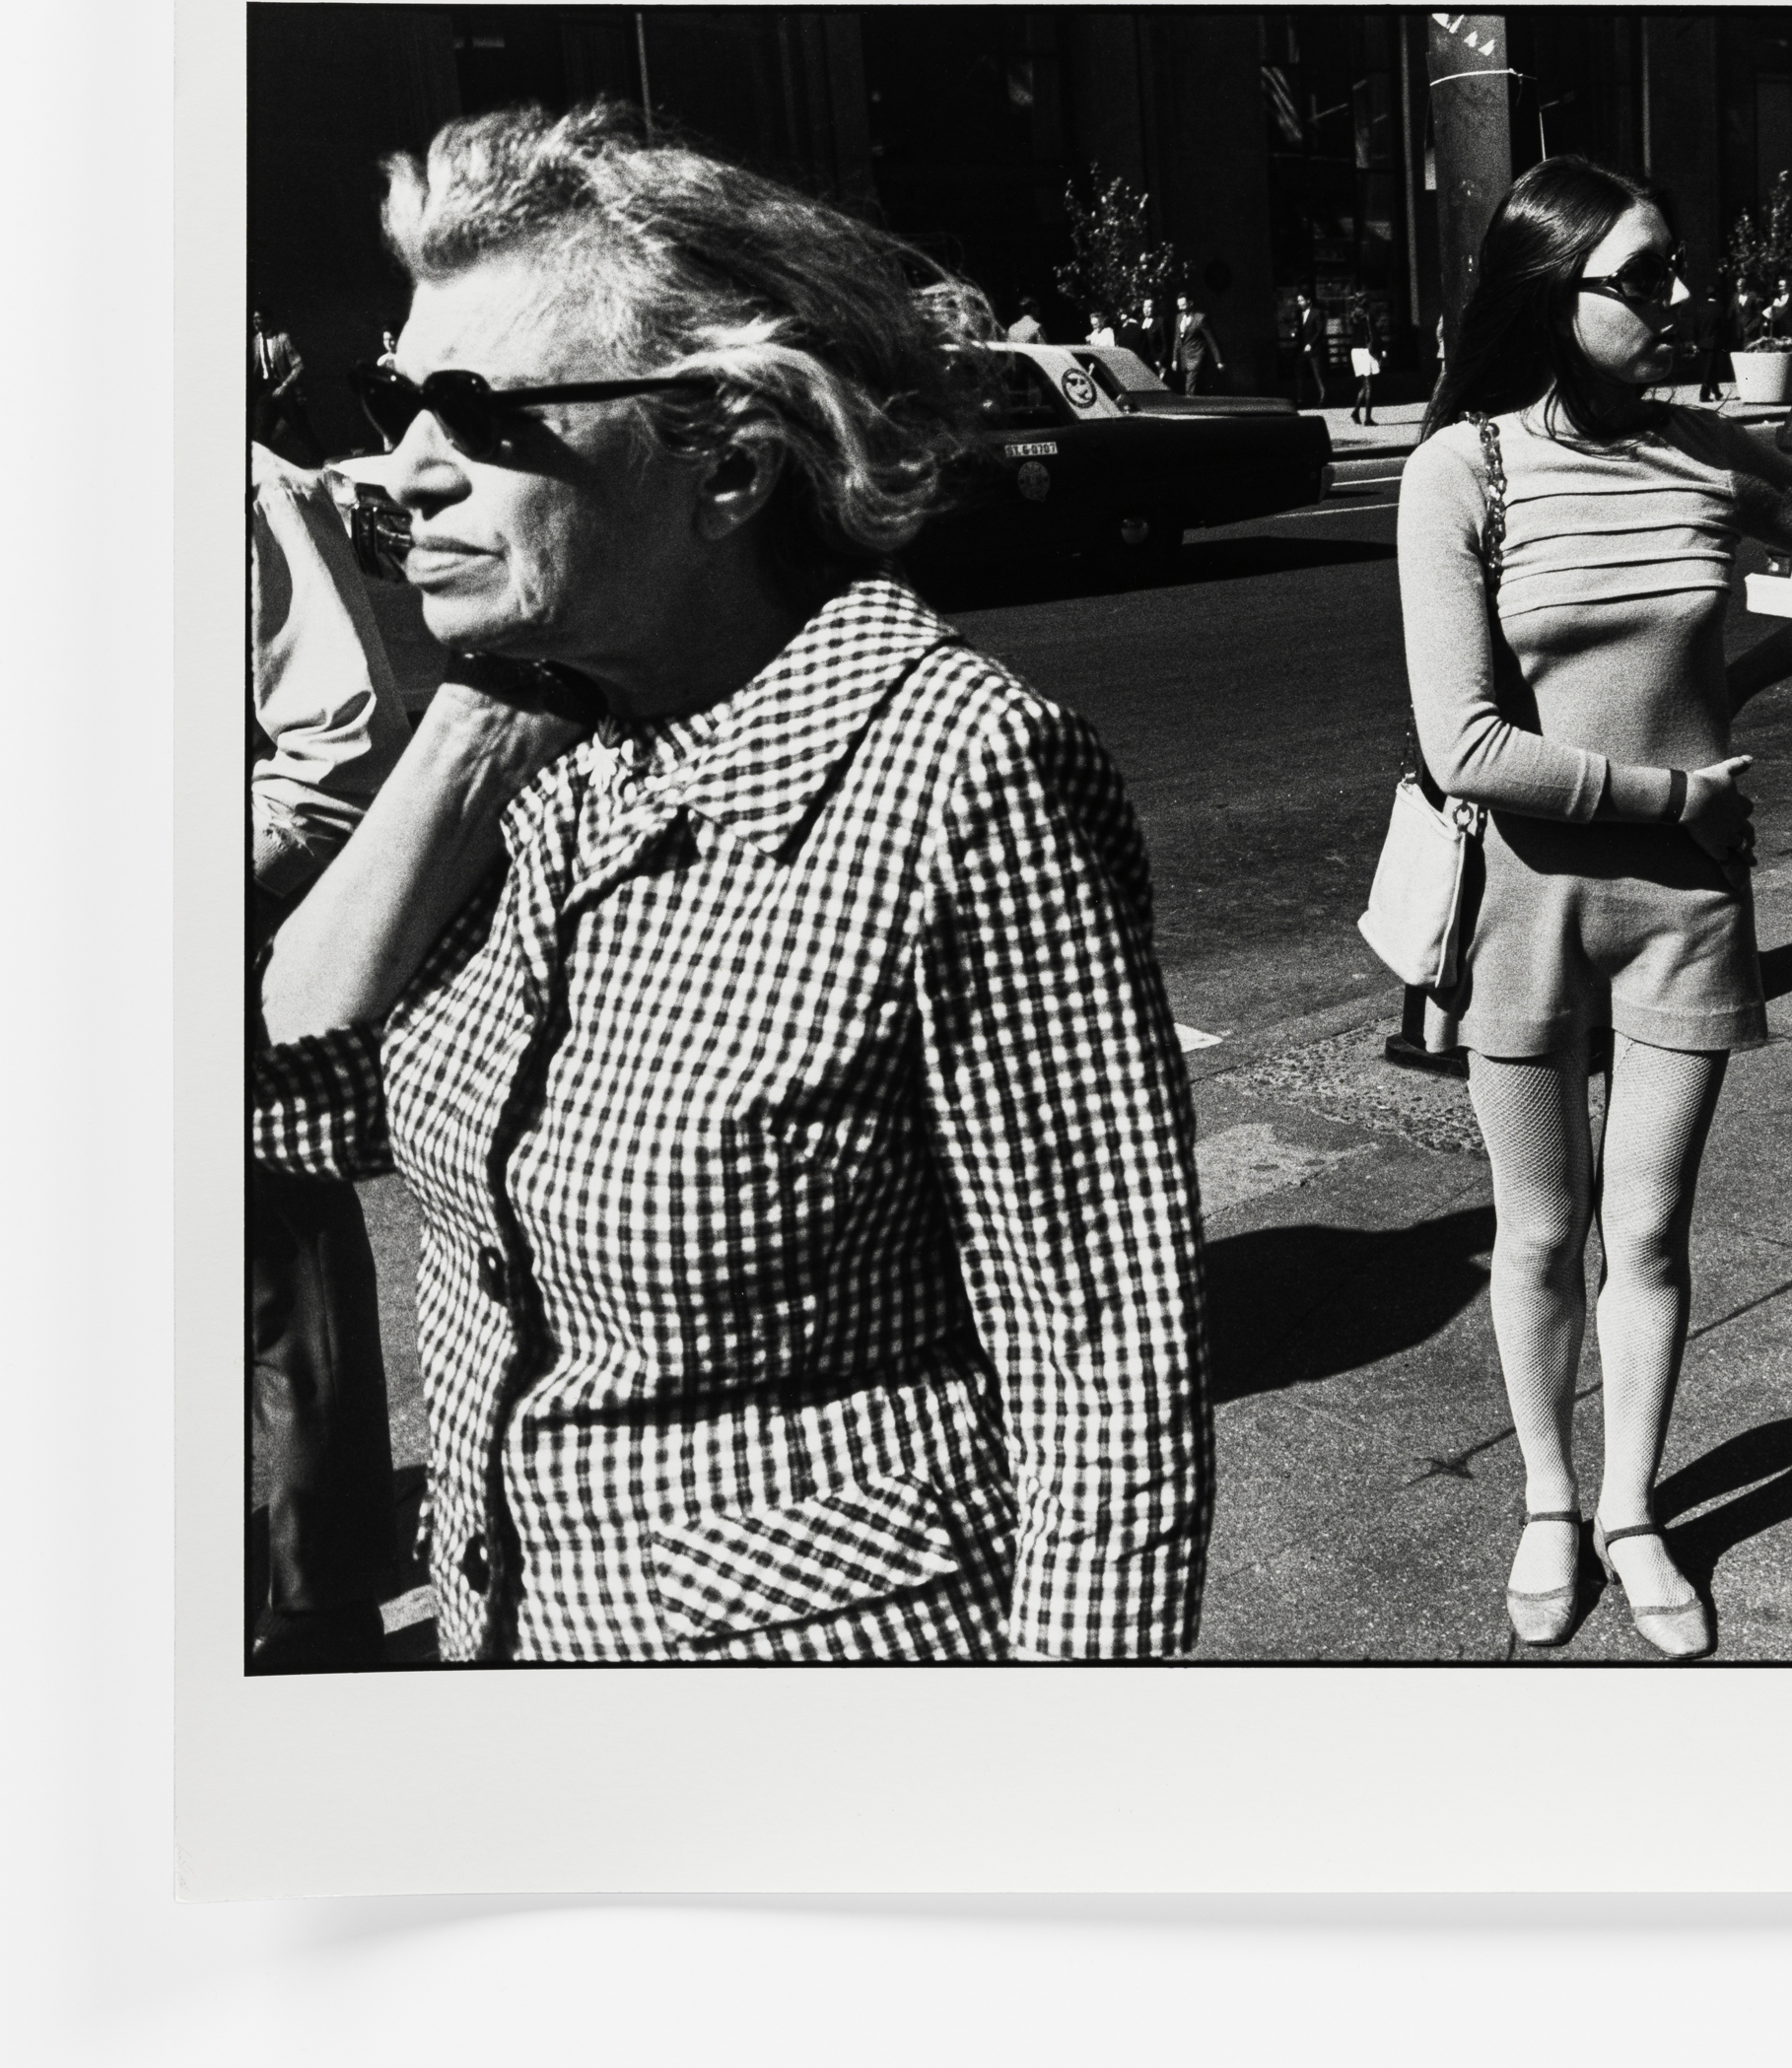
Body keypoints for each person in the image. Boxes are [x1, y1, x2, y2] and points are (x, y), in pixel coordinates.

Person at [250, 102, 1212, 1663]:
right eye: (395, 398)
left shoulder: (956, 770)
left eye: (476, 413)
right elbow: (291, 1105)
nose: (406, 470)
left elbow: (1105, 1372)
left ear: (729, 462)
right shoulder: (552, 747)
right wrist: (464, 740)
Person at [1397, 156, 1792, 1659]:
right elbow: (1467, 745)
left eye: (1677, 264)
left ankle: (1632, 1510)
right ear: (1549, 294)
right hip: (1527, 900)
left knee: (1652, 1231)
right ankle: (1548, 1501)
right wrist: (1669, 789)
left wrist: (1730, 689)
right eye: (1643, 276)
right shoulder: (1463, 471)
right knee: (1540, 1232)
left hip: (1687, 902)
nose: (1683, 296)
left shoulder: (1707, 453)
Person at [248, 358, 413, 1672]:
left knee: (276, 1279)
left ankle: (320, 1603)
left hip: (198, 950)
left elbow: (340, 756)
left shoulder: (241, 491)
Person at [1168, 292, 1220, 393]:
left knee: (1190, 389)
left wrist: (1218, 360)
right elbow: (1177, 339)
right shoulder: (1179, 318)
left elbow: (1211, 340)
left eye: (1183, 305)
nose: (1180, 308)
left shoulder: (1200, 318)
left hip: (1196, 359)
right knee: (1195, 389)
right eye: (1179, 306)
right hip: (1184, 360)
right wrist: (1174, 359)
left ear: (1190, 303)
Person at [1344, 297, 1382, 425]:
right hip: (1367, 350)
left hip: (1355, 351)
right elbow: (1373, 333)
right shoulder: (1368, 315)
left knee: (1365, 385)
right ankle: (1367, 418)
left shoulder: (1352, 316)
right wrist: (1380, 348)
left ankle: (1356, 412)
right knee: (1369, 386)